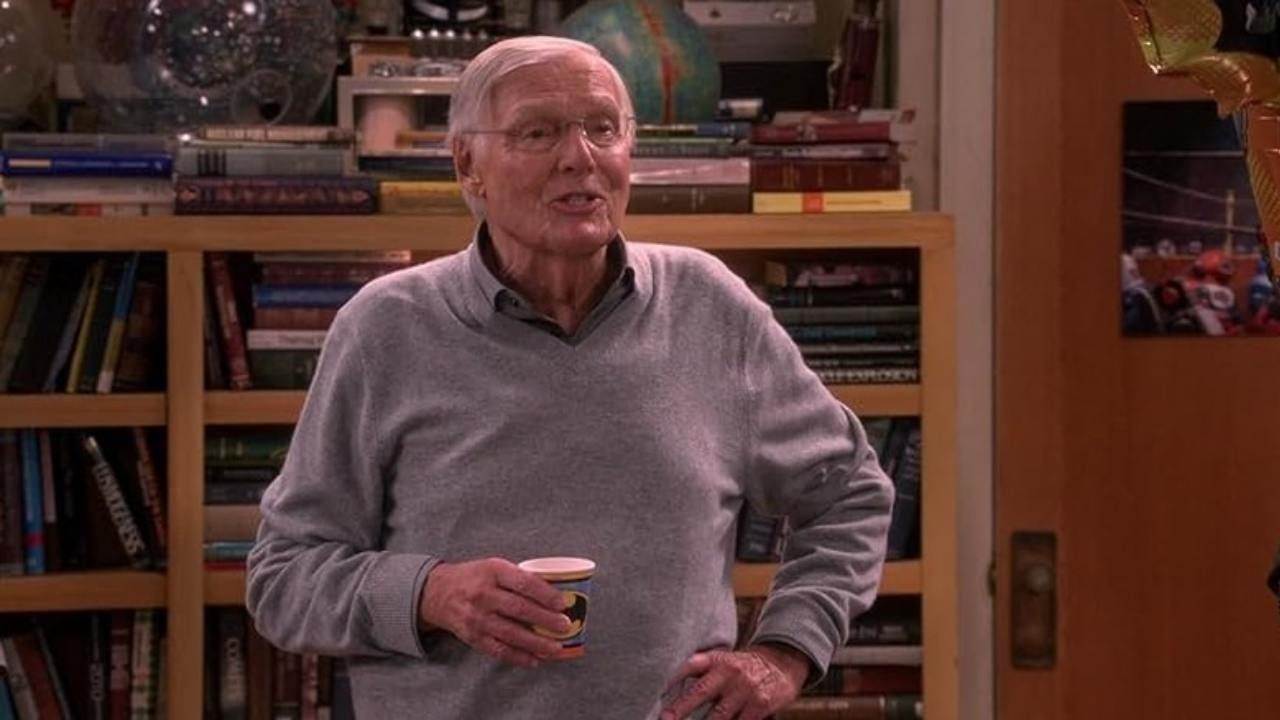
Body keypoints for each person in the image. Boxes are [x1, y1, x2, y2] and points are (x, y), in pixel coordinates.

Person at [246, 35, 894, 719]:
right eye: (537, 132)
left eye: (603, 129)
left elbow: (848, 492)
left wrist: (785, 652)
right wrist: (429, 594)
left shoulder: (708, 305)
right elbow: (283, 577)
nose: (579, 157)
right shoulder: (387, 328)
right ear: (468, 164)